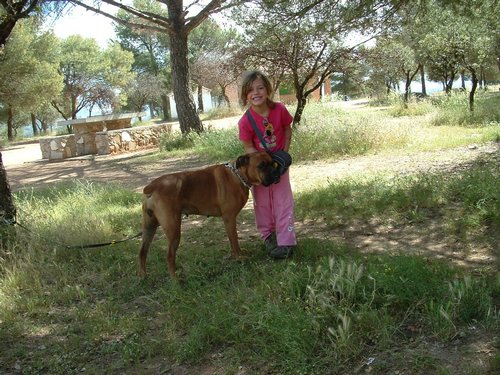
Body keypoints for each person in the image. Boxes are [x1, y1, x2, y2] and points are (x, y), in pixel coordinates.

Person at [238, 70, 296, 259]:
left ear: (268, 89)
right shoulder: (245, 121)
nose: (256, 93)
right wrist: (262, 168)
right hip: (260, 170)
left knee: (283, 201)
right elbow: (248, 148)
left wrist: (284, 153)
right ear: (245, 95)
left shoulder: (279, 110)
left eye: (260, 88)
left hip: (279, 165)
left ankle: (286, 241)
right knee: (262, 204)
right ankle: (268, 236)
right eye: (250, 90)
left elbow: (287, 129)